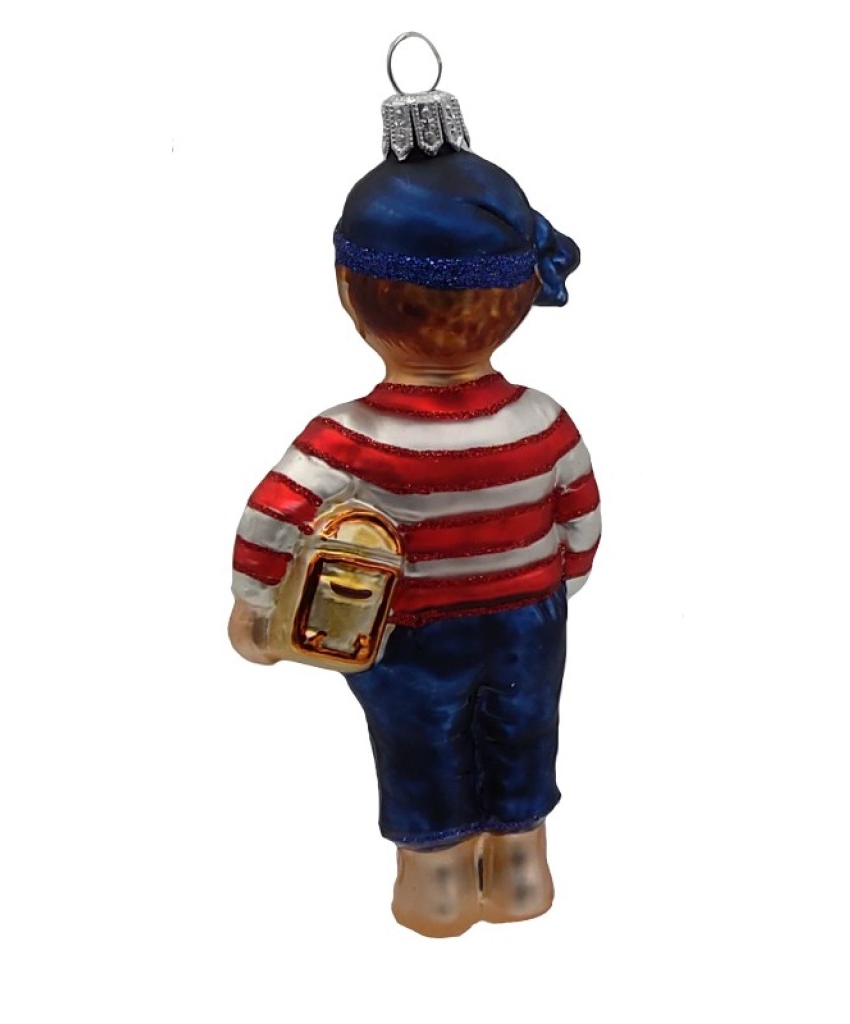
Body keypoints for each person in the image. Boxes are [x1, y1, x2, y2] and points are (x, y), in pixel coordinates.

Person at [228, 138, 600, 937]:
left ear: (347, 292)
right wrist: (553, 585)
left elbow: (272, 519)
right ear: (522, 294)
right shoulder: (545, 421)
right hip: (528, 621)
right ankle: (521, 873)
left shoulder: (347, 440)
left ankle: (437, 889)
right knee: (523, 731)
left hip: (409, 633)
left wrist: (253, 608)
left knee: (421, 747)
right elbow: (580, 523)